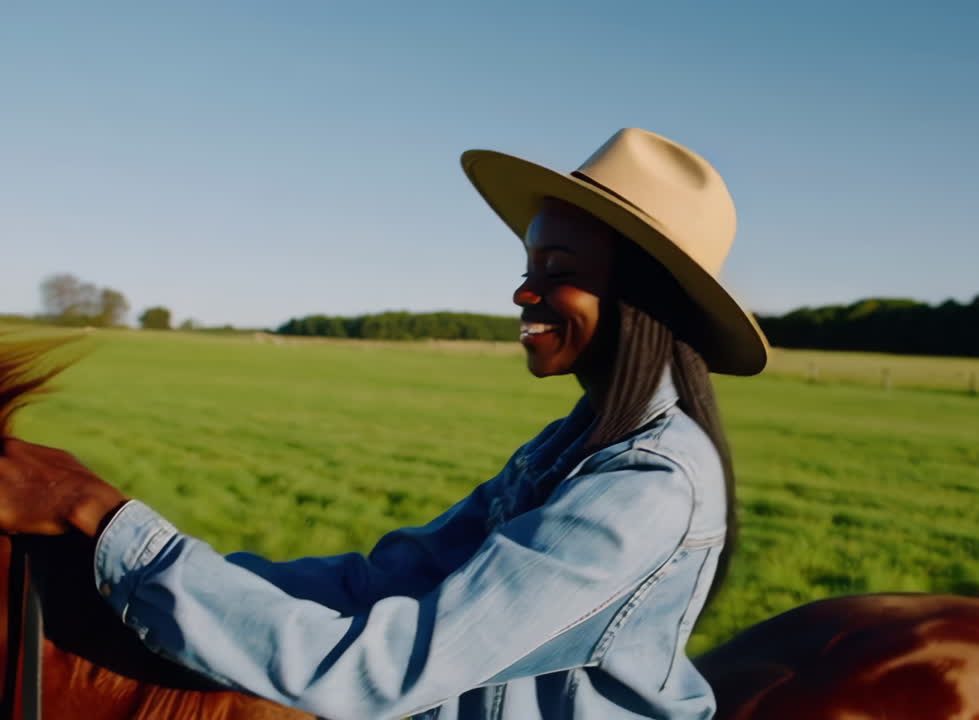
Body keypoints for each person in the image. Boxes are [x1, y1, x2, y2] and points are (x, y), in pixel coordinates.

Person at [0, 128, 769, 720]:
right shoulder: (575, 445)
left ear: (645, 297)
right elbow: (380, 581)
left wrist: (102, 517)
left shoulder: (646, 486)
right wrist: (116, 560)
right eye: (530, 267)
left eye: (557, 272)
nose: (523, 294)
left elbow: (378, 670)